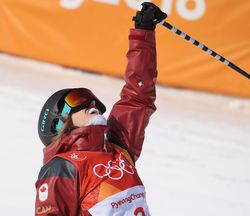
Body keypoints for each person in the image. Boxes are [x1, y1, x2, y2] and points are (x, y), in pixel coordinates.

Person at [35, 2, 167, 216]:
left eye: (93, 100)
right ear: (61, 123)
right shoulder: (62, 166)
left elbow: (137, 97)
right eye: (81, 101)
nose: (93, 104)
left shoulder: (118, 148)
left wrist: (143, 32)